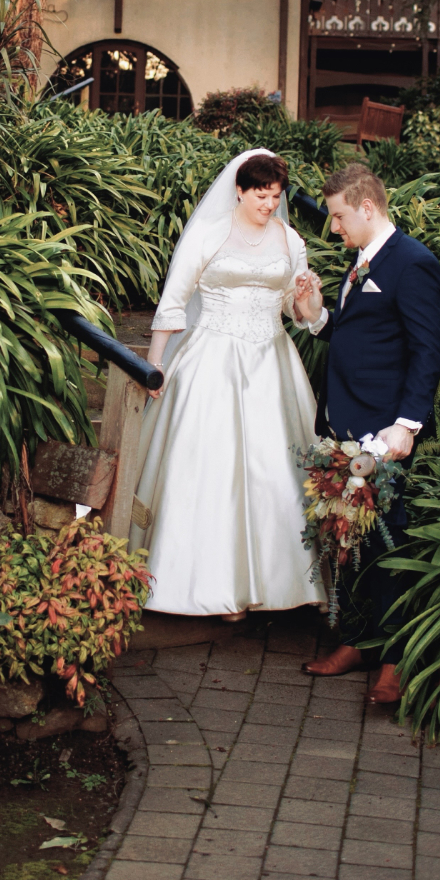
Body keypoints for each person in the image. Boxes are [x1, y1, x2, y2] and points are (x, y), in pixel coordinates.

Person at [129, 148, 325, 619]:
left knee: (275, 469)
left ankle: (285, 580)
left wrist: (307, 298)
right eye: (261, 195)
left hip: (272, 361)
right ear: (239, 190)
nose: (269, 204)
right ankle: (215, 585)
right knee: (212, 469)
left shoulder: (290, 239)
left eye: (275, 196)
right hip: (211, 360)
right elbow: (174, 301)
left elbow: (298, 313)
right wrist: (155, 365)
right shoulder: (209, 234)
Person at [299, 161, 440, 704]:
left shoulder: (413, 262)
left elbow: (427, 350)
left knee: (389, 541)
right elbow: (358, 333)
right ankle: (357, 641)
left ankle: (394, 660)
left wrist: (406, 425)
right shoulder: (361, 259)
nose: (333, 227)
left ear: (367, 207)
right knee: (351, 540)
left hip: (384, 430)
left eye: (339, 217)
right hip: (345, 424)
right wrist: (316, 316)